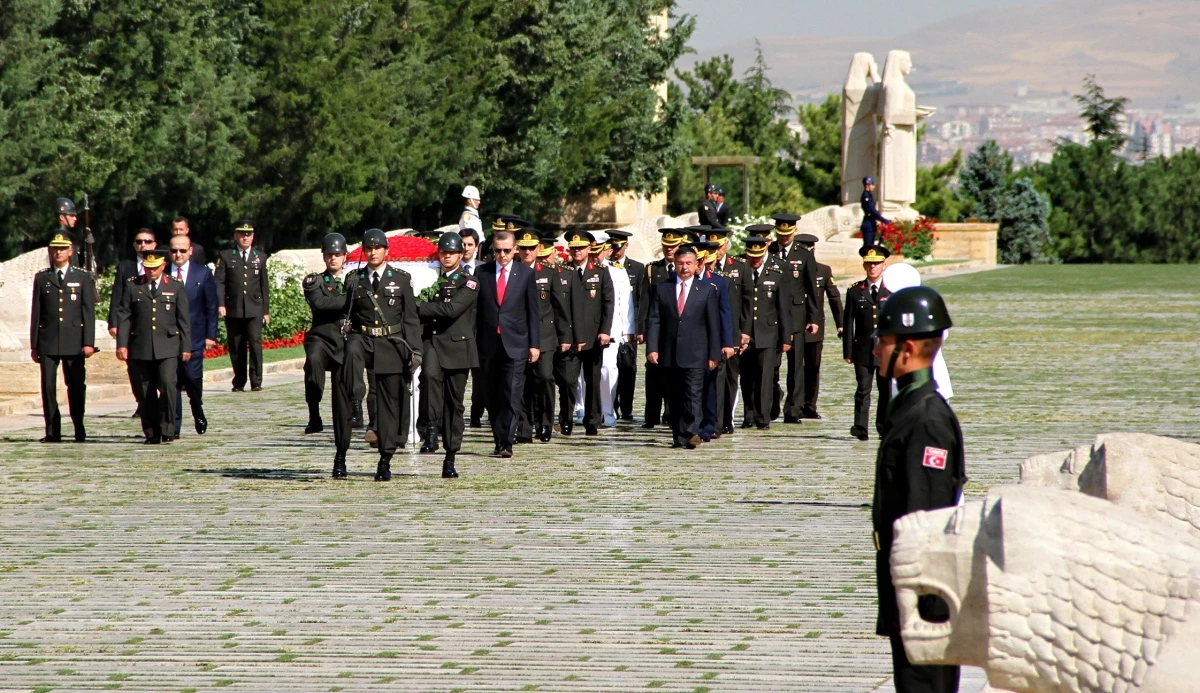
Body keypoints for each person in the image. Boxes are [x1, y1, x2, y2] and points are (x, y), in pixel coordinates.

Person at [871, 284, 963, 693]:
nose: (875, 348)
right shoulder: (909, 408)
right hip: (907, 586)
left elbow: (925, 519)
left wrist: (916, 602)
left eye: (883, 340)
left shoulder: (927, 420)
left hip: (924, 596)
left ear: (906, 349)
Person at [338, 229, 421, 481]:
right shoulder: (354, 278)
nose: (373, 252)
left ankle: (385, 459)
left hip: (390, 343)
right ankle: (356, 402)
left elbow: (411, 318)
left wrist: (415, 350)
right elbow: (347, 311)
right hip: (362, 337)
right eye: (369, 248)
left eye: (377, 248)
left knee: (388, 405)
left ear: (386, 251)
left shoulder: (402, 279)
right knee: (352, 351)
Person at [417, 233, 480, 478]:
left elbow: (451, 309)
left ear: (460, 255)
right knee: (430, 378)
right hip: (433, 341)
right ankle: (430, 429)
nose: (447, 256)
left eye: (451, 252)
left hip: (458, 347)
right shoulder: (430, 278)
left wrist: (419, 307)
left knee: (455, 403)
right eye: (444, 252)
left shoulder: (469, 281)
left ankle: (451, 454)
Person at [646, 244, 721, 449]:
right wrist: (652, 348)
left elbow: (714, 325)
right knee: (675, 396)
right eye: (680, 263)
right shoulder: (662, 288)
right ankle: (678, 436)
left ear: (697, 265)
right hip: (669, 352)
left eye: (688, 263)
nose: (684, 267)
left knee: (693, 394)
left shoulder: (706, 291)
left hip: (697, 352)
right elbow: (654, 320)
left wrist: (714, 354)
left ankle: (692, 431)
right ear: (674, 265)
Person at [473, 230, 540, 458]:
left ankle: (506, 443)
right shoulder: (482, 272)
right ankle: (498, 437)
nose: (502, 255)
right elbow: (476, 311)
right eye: (498, 251)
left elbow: (533, 311)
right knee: (492, 395)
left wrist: (534, 344)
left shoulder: (525, 273)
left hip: (517, 342)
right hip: (488, 343)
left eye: (507, 251)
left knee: (512, 393)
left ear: (515, 250)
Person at [115, 248, 191, 444]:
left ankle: (168, 428)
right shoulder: (133, 286)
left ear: (163, 266)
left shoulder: (174, 286)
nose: (151, 272)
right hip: (141, 346)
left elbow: (183, 320)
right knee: (145, 390)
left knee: (167, 384)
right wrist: (122, 344)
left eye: (155, 268)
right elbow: (124, 316)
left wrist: (185, 347)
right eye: (148, 268)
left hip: (167, 345)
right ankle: (151, 432)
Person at [30, 230, 96, 443]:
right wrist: (34, 344)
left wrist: (88, 342)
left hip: (74, 340)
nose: (58, 252)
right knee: (48, 386)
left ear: (70, 251)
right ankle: (52, 430)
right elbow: (36, 312)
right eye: (54, 249)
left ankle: (79, 426)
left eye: (62, 249)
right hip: (48, 340)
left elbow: (88, 312)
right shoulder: (42, 278)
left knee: (76, 385)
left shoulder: (82, 277)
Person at [554, 230, 613, 436]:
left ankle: (592, 420)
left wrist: (605, 331)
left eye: (581, 248)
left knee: (592, 379)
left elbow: (608, 303)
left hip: (593, 335)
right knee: (567, 381)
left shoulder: (600, 271)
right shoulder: (561, 271)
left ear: (590, 249)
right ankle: (566, 420)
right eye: (574, 247)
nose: (577, 251)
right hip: (568, 336)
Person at [517, 230, 572, 443]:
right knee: (521, 382)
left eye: (531, 248)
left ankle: (545, 423)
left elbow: (560, 308)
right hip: (519, 335)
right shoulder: (512, 271)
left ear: (539, 248)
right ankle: (524, 427)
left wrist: (565, 336)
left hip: (545, 335)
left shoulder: (549, 272)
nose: (528, 252)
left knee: (545, 378)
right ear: (518, 249)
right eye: (524, 248)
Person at [768, 213, 819, 424]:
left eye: (788, 234)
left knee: (796, 366)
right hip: (773, 316)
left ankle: (793, 409)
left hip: (797, 316)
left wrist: (813, 317)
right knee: (772, 365)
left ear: (794, 232)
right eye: (781, 234)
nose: (784, 238)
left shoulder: (804, 254)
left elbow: (812, 288)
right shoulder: (769, 251)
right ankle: (771, 403)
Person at [738, 232, 792, 430]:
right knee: (746, 377)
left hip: (768, 333)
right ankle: (748, 414)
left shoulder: (777, 272)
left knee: (765, 376)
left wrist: (786, 337)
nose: (754, 260)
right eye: (751, 256)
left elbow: (783, 307)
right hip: (745, 334)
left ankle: (763, 416)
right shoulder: (742, 270)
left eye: (758, 257)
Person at [168, 235, 218, 437]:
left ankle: (197, 408)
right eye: (174, 251)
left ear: (190, 251)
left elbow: (211, 306)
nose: (178, 254)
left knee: (192, 379)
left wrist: (210, 336)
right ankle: (174, 426)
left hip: (195, 337)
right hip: (170, 337)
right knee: (172, 381)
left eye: (182, 250)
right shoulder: (163, 273)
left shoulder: (203, 273)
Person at [637, 228, 686, 429]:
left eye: (673, 246)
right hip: (658, 328)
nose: (669, 250)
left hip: (679, 328)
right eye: (666, 246)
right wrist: (642, 328)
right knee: (654, 373)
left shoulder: (685, 269)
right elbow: (645, 302)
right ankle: (651, 415)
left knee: (675, 371)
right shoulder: (653, 269)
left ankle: (671, 413)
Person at [843, 244, 892, 441]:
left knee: (885, 391)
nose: (872, 267)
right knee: (863, 389)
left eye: (876, 264)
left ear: (884, 265)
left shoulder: (892, 290)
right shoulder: (855, 291)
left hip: (886, 351)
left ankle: (883, 427)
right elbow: (848, 324)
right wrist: (847, 351)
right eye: (869, 264)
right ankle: (860, 426)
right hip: (863, 349)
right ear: (864, 266)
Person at [214, 220, 270, 392]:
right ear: (235, 236)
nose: (245, 237)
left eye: (248, 234)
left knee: (255, 344)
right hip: (234, 308)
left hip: (255, 308)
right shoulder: (225, 256)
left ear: (252, 237)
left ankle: (256, 381)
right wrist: (221, 304)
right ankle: (239, 381)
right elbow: (219, 282)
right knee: (237, 346)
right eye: (241, 234)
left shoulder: (260, 257)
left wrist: (266, 311)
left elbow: (264, 286)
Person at [301, 233, 349, 435]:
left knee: (348, 378)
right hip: (321, 337)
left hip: (346, 338)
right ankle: (314, 415)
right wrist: (350, 299)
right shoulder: (316, 281)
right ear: (324, 257)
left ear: (345, 256)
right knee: (313, 361)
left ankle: (355, 412)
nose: (333, 258)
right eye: (329, 254)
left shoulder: (355, 279)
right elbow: (320, 304)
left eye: (337, 254)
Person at [109, 228, 157, 416]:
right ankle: (142, 401)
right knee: (134, 367)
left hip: (154, 324)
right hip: (131, 325)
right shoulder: (126, 266)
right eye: (138, 242)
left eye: (147, 241)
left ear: (154, 244)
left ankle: (156, 401)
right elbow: (117, 296)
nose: (142, 245)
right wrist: (114, 322)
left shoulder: (163, 265)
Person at [797, 233, 843, 419]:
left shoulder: (823, 270)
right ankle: (795, 403)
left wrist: (841, 324)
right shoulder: (791, 270)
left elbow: (834, 297)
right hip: (795, 325)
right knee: (795, 367)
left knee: (813, 366)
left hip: (816, 326)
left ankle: (810, 404)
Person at [694, 240, 736, 441]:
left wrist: (727, 343)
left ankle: (711, 425)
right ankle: (692, 424)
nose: (700, 265)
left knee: (711, 385)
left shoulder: (718, 282)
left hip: (713, 340)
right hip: (690, 341)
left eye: (702, 261)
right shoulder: (680, 279)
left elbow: (725, 314)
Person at [707, 227, 746, 434]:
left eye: (719, 247)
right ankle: (714, 421)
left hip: (730, 333)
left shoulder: (737, 268)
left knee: (729, 379)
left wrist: (738, 336)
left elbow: (741, 305)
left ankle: (725, 419)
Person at [607, 229, 642, 421]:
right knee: (610, 368)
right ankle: (611, 405)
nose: (614, 250)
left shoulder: (636, 268)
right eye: (612, 246)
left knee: (628, 368)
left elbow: (639, 300)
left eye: (618, 246)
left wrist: (637, 328)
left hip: (629, 326)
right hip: (611, 326)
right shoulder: (606, 267)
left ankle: (627, 406)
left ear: (625, 246)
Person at [860, 176, 890, 249]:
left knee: (871, 248)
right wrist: (883, 220)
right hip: (868, 225)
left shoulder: (869, 195)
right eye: (872, 184)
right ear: (867, 185)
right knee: (868, 248)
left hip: (871, 224)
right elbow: (872, 211)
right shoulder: (866, 196)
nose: (873, 186)